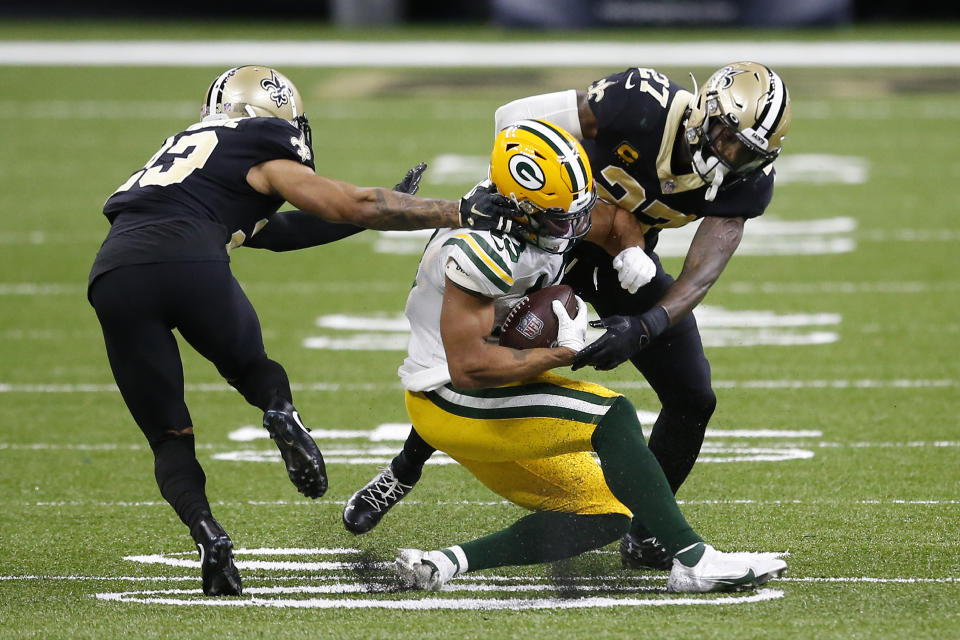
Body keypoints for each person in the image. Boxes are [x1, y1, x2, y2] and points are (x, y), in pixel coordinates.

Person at [87, 65, 517, 597]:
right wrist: (456, 210)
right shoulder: (258, 141)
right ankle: (280, 412)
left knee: (169, 436)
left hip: (114, 275)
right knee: (254, 370)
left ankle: (207, 535)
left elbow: (273, 231)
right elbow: (347, 201)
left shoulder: (182, 152)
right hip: (192, 260)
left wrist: (367, 217)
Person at [343, 62, 792, 571]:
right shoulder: (641, 104)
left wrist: (647, 323)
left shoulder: (746, 181)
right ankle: (405, 468)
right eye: (727, 139)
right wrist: (536, 201)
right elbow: (515, 122)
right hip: (542, 229)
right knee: (484, 355)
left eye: (747, 153)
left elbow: (702, 272)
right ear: (705, 113)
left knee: (693, 394)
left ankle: (648, 534)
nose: (731, 157)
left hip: (622, 252)